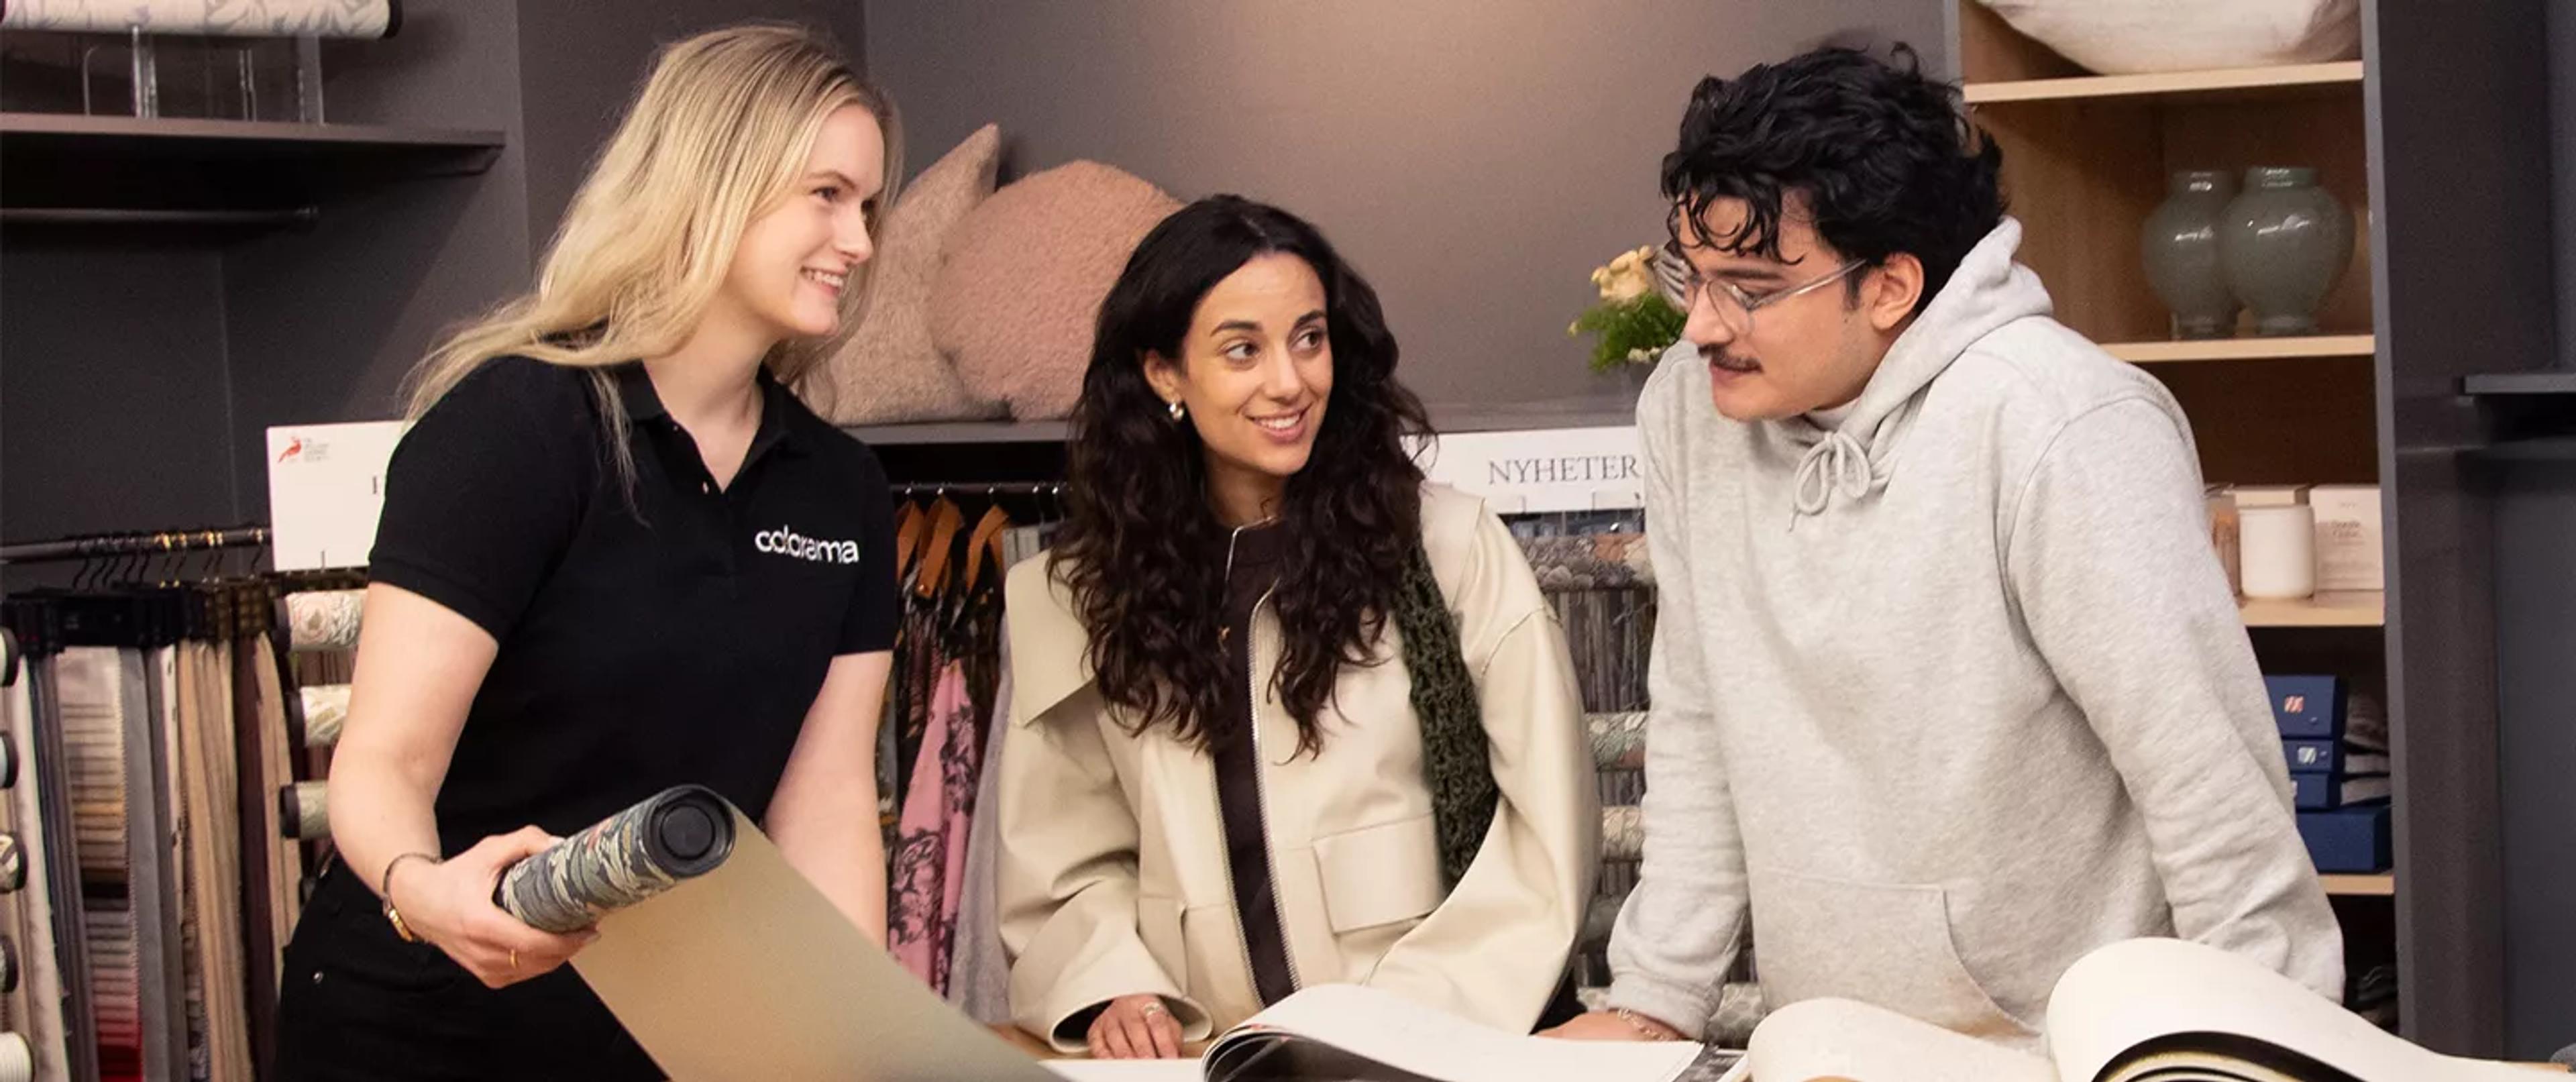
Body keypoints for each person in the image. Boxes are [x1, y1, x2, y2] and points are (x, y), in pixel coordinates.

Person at [1546, 45, 2342, 1050]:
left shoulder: (2060, 423)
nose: (1702, 325)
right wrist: (1655, 998)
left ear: (1890, 287)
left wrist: (2263, 1055)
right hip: (1833, 1047)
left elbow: (2208, 787)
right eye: (1690, 277)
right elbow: (1702, 712)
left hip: (2074, 1048)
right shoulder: (1690, 414)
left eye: (1748, 287)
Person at [275, 23, 902, 1080]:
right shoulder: (519, 426)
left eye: (869, 206)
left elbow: (828, 801)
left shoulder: (840, 487)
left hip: (667, 1027)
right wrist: (426, 889)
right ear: (716, 181)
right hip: (424, 1022)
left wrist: (849, 1035)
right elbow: (385, 760)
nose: (862, 242)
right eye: (827, 195)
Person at [996, 196, 1598, 1059]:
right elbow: (1063, 855)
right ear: (1164, 372)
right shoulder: (1077, 597)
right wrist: (1111, 982)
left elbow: (1547, 835)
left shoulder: (1451, 551)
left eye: (1309, 338)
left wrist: (1383, 1030)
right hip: (1202, 1062)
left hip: (1422, 1051)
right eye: (1242, 349)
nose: (1289, 381)